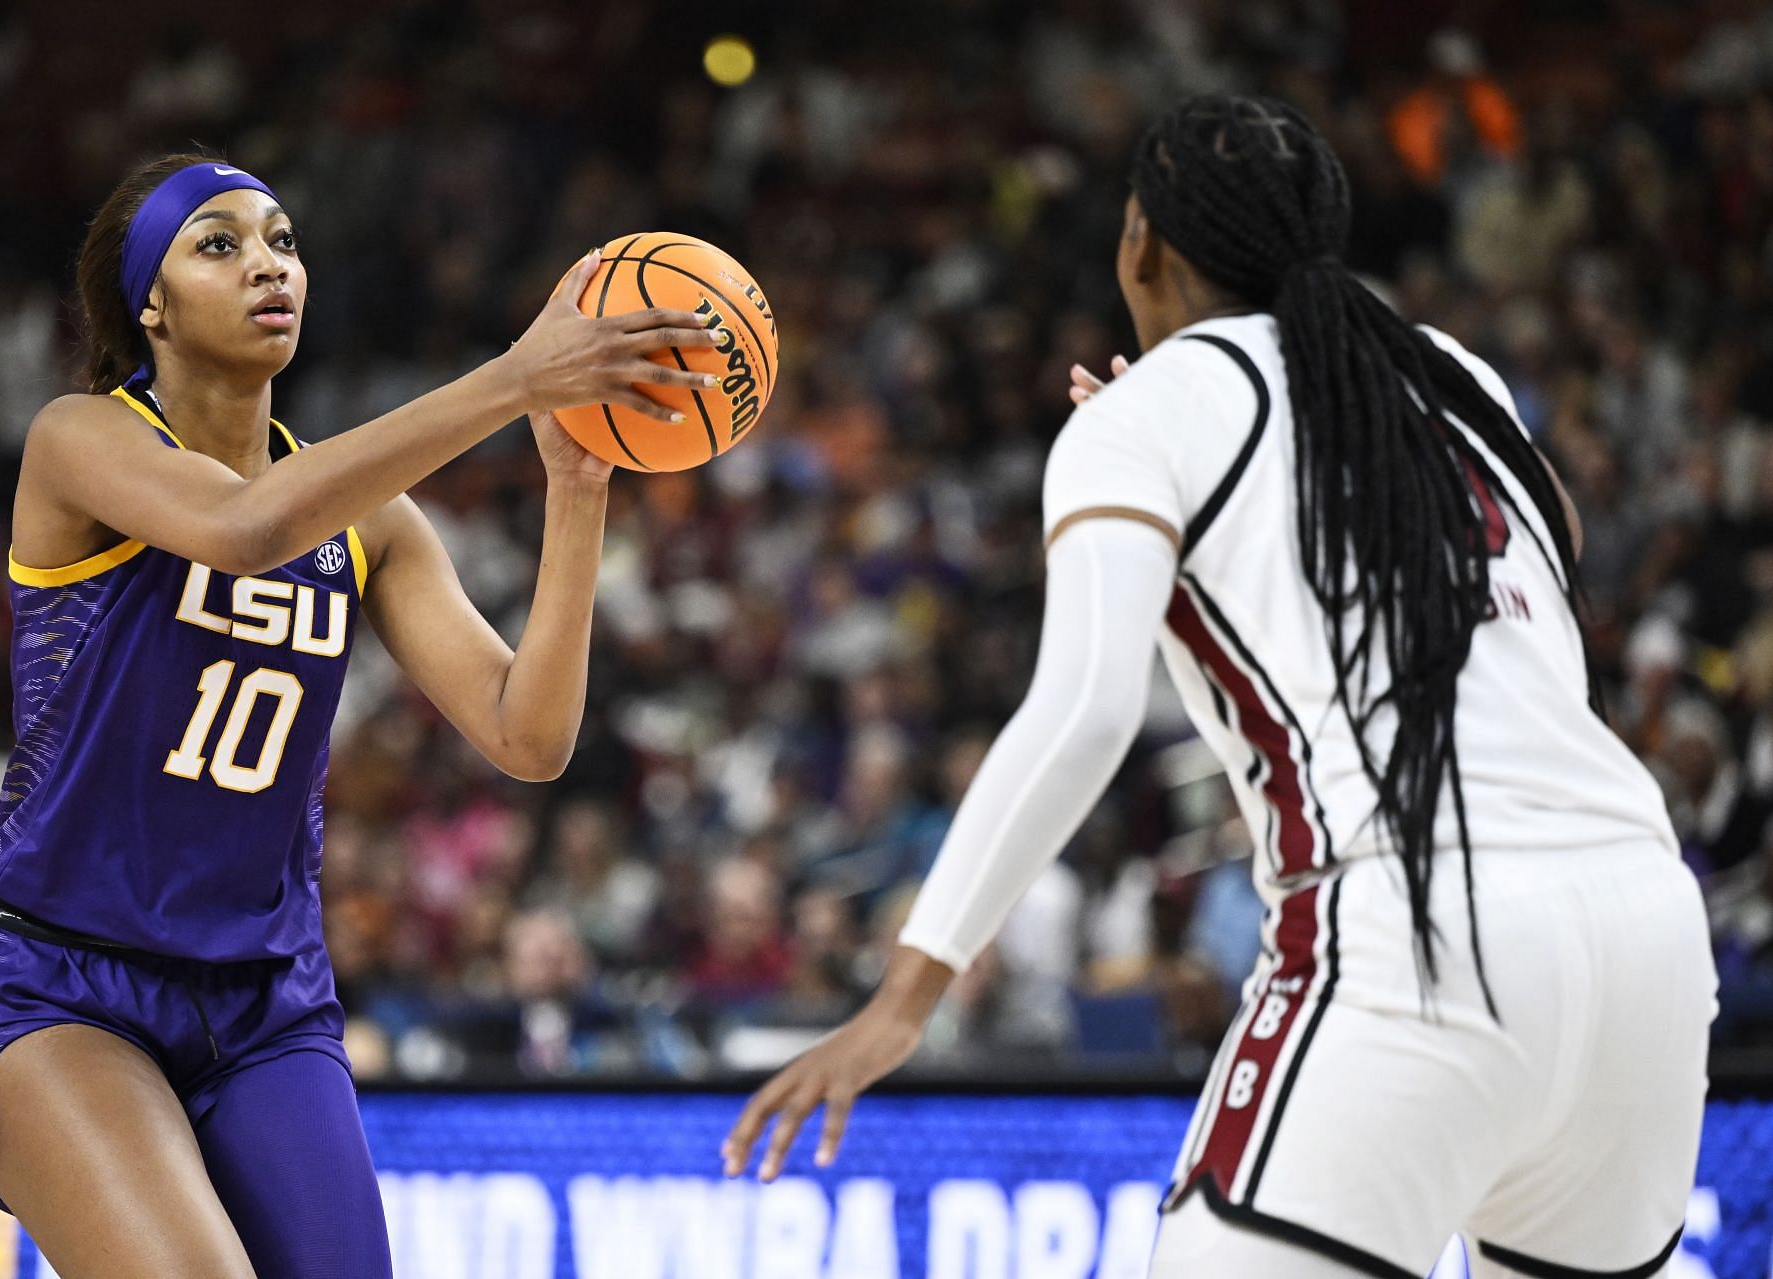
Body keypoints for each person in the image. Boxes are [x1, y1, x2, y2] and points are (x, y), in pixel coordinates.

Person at [724, 96, 1715, 1279]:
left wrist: (905, 994)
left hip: (1414, 926)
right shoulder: (1450, 374)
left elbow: (1084, 714)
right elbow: (1551, 538)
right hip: (1645, 931)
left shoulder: (1146, 417)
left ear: (1142, 243)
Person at [0, 153, 724, 1278]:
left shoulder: (376, 523)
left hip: (266, 1000)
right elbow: (249, 527)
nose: (267, 262)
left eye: (283, 240)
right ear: (147, 303)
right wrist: (513, 378)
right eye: (219, 243)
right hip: (63, 982)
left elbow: (528, 733)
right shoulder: (82, 440)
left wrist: (577, 486)